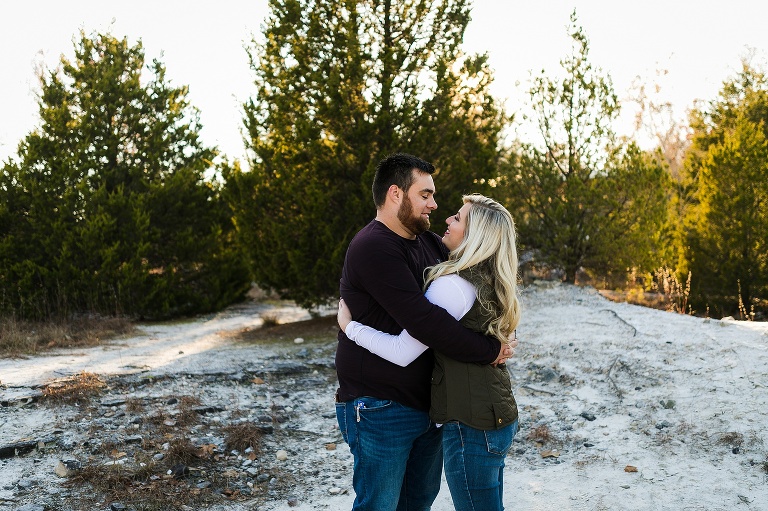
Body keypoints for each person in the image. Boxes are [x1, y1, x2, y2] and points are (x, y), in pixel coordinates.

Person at [335, 154, 512, 511]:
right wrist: (488, 350)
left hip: (427, 406)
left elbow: (464, 295)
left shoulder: (429, 243)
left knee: (417, 503)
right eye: (425, 194)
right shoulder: (374, 246)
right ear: (396, 194)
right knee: (379, 505)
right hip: (379, 404)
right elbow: (426, 323)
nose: (434, 204)